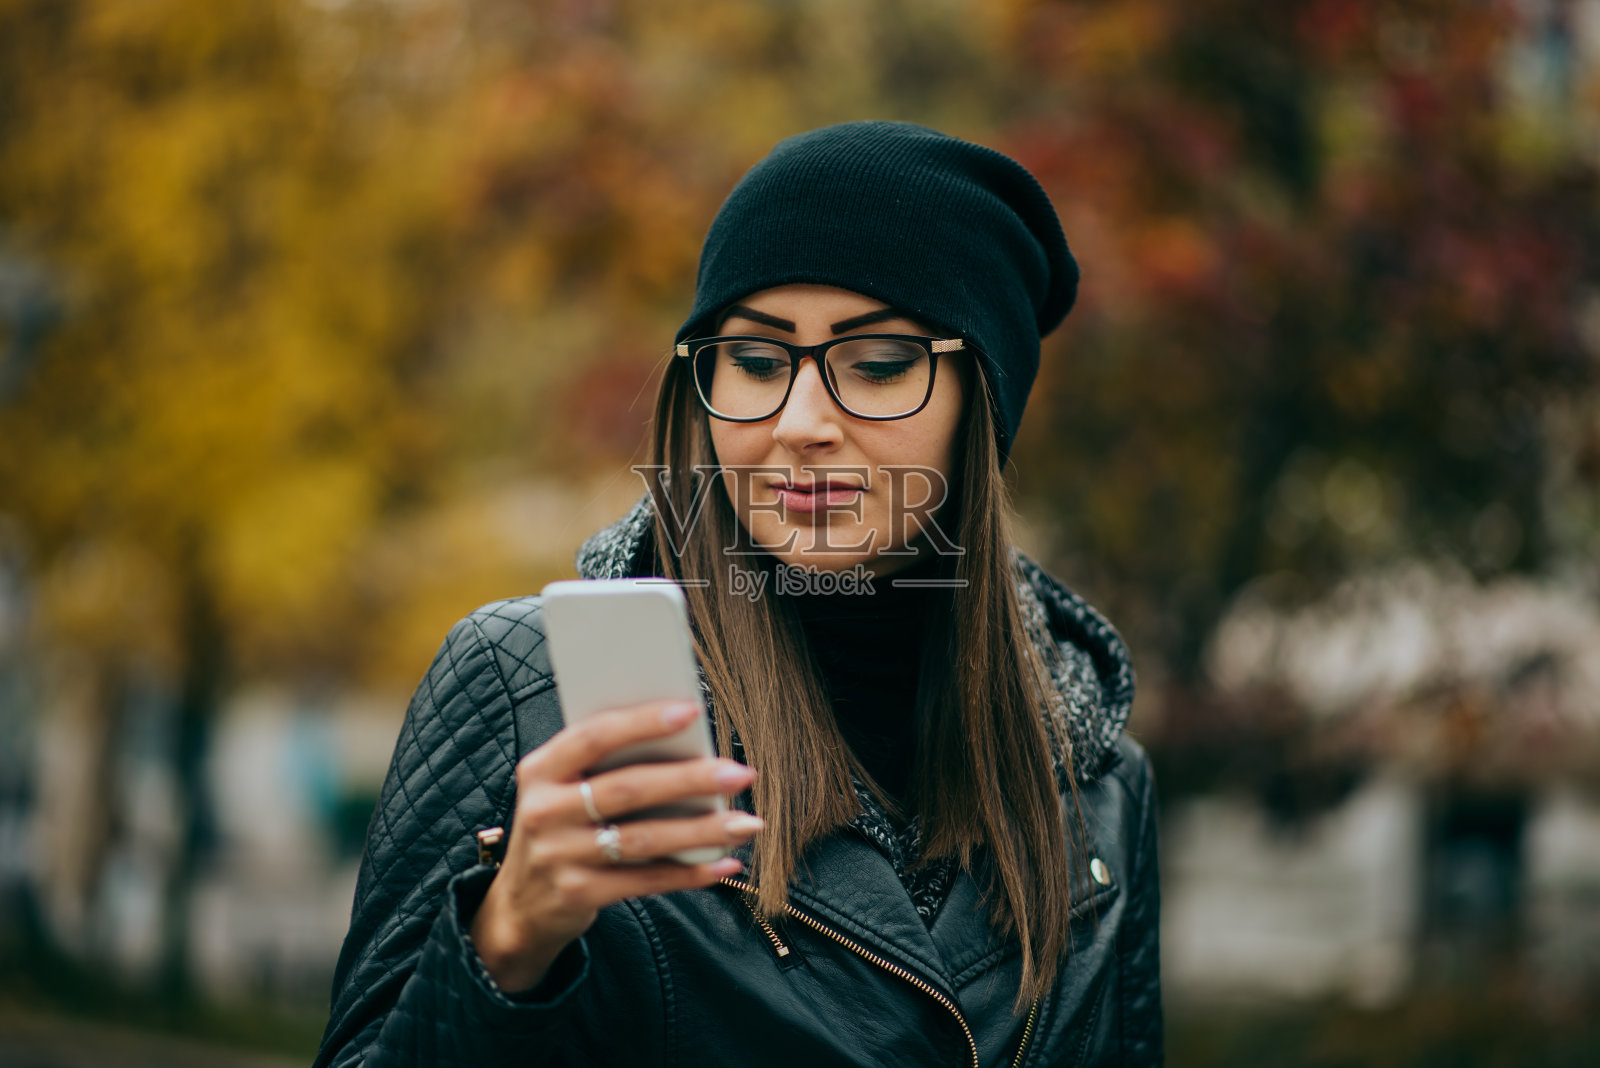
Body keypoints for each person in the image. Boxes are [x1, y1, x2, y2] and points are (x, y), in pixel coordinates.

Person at [314, 120, 1162, 1067]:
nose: (800, 423)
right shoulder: (528, 688)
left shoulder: (1099, 786)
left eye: (878, 365)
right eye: (755, 362)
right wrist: (506, 939)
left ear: (983, 403)